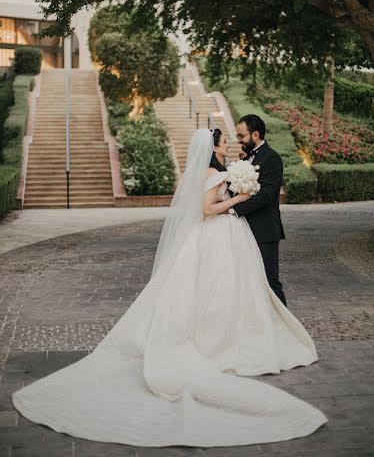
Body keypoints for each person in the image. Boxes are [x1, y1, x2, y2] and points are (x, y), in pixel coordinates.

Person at [12, 128, 327, 448]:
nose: (229, 144)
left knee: (226, 289)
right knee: (213, 289)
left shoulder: (217, 170)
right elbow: (206, 210)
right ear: (214, 147)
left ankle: (225, 333)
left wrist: (235, 188)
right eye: (224, 142)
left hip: (225, 236)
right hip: (216, 235)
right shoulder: (211, 173)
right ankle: (215, 340)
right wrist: (238, 198)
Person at [232, 114, 287, 306]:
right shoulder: (247, 158)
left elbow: (266, 196)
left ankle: (284, 327)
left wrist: (235, 209)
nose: (238, 140)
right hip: (245, 230)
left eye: (241, 136)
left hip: (264, 231)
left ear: (255, 134)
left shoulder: (271, 158)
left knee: (270, 282)